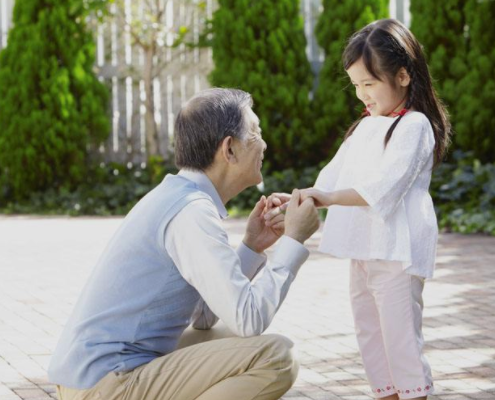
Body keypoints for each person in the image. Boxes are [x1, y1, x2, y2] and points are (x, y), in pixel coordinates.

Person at [48, 88, 320, 400]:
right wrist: (294, 240)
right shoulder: (191, 211)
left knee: (222, 335)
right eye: (256, 132)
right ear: (229, 149)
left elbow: (204, 318)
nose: (264, 143)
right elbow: (249, 318)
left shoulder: (179, 197)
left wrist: (251, 246)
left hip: (91, 377)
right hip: (107, 384)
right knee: (277, 357)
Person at [265, 19, 451, 400]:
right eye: (356, 86)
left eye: (370, 84)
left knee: (400, 337)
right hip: (365, 248)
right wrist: (300, 199)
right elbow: (331, 178)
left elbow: (385, 188)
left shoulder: (414, 126)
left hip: (397, 252)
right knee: (369, 332)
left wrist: (329, 198)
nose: (362, 95)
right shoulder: (367, 126)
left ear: (403, 76)